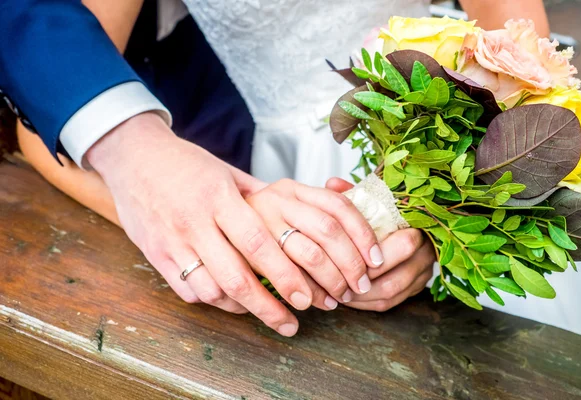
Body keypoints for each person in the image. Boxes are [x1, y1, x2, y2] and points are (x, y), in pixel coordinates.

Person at [0, 0, 551, 337]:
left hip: (430, 146)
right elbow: (46, 123)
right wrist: (218, 230)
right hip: (278, 175)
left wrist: (438, 218)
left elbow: (526, 66)